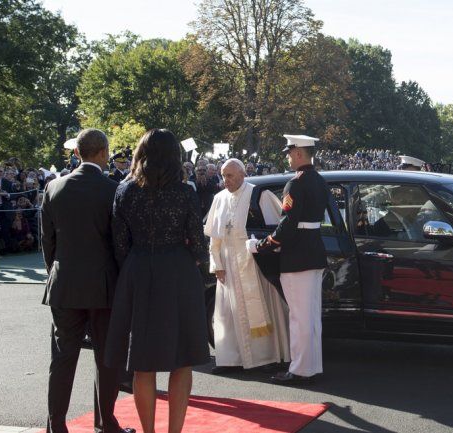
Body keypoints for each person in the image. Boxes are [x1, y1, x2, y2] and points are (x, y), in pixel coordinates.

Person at [105, 129, 210, 433]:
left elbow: (119, 245)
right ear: (175, 156)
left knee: (143, 359)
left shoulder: (124, 191)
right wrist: (197, 263)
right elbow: (197, 241)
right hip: (178, 270)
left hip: (139, 270)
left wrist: (136, 269)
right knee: (183, 357)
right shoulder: (185, 191)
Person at [40, 128, 134, 433]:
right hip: (104, 285)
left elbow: (47, 241)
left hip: (64, 282)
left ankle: (56, 424)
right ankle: (106, 422)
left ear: (77, 153)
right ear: (104, 152)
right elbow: (121, 243)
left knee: (63, 357)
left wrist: (56, 272)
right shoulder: (113, 190)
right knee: (107, 358)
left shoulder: (54, 188)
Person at [248, 134, 328, 385]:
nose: (288, 157)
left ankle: (301, 369)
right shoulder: (319, 181)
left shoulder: (295, 184)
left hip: (298, 257)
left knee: (300, 316)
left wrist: (264, 244)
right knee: (311, 316)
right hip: (314, 252)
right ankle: (311, 366)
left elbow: (288, 225)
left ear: (299, 154)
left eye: (290, 153)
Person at [204, 159, 290, 374]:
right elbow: (214, 240)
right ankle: (231, 360)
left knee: (261, 310)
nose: (226, 180)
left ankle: (266, 358)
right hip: (228, 266)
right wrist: (217, 265)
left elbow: (277, 229)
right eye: (223, 176)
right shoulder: (219, 199)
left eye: (230, 176)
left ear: (243, 175)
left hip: (254, 264)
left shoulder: (259, 195)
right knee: (228, 314)